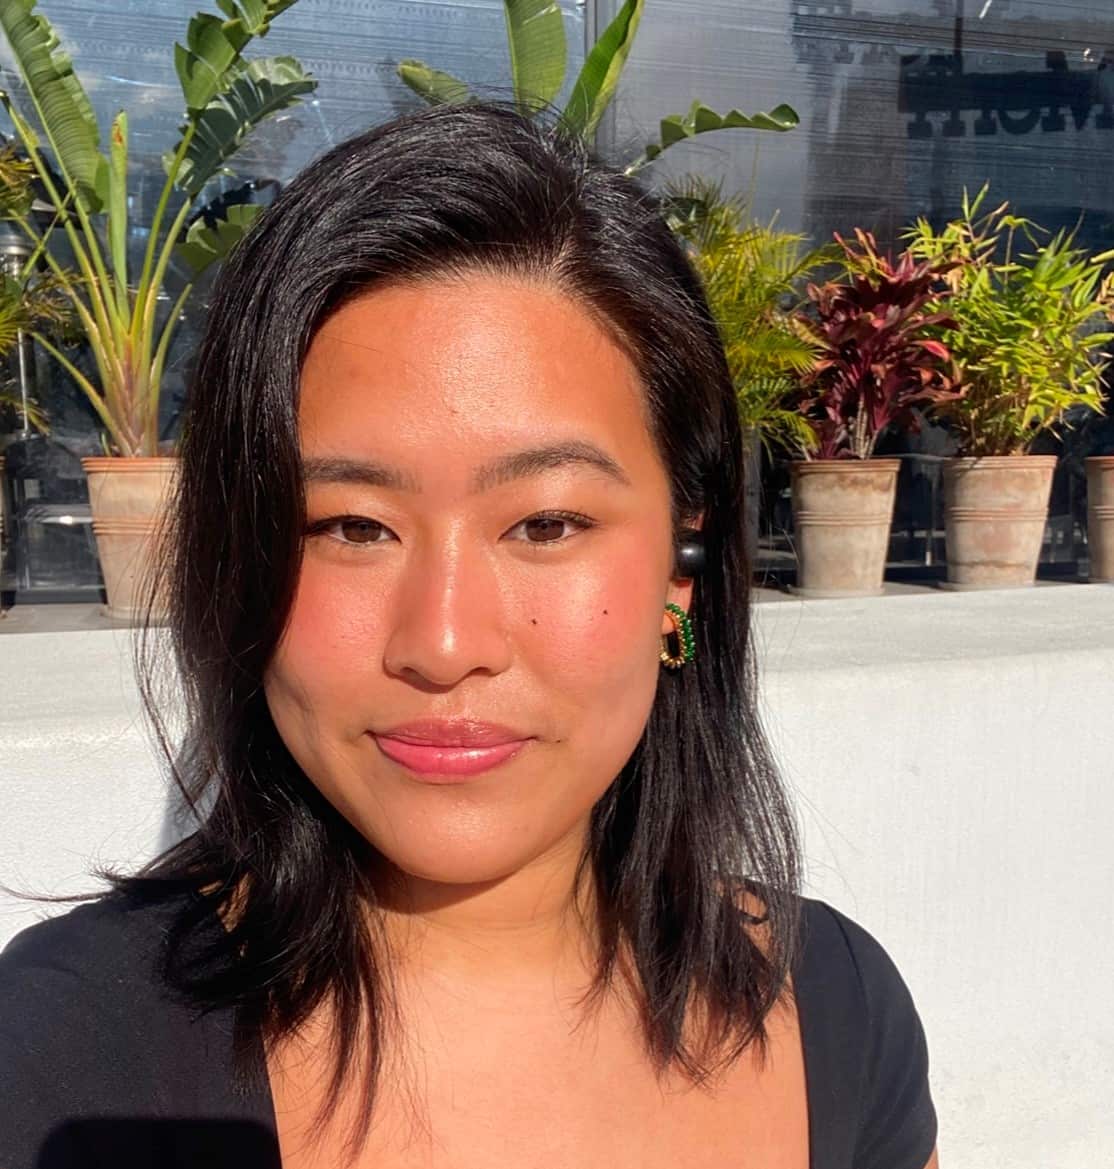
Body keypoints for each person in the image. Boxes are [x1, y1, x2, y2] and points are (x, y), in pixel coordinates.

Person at [0, 103, 938, 1169]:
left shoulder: (839, 1013)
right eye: (351, 526)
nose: (443, 643)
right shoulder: (59, 1067)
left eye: (546, 522)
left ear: (681, 570)